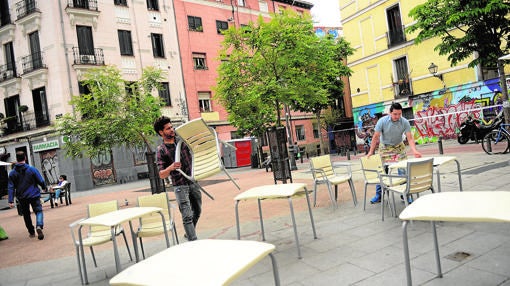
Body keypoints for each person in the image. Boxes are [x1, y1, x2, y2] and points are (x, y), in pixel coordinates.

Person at [154, 116, 202, 241]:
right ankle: (193, 240)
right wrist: (170, 167)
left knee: (197, 211)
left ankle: (189, 233)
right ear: (161, 132)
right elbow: (161, 174)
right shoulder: (161, 150)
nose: (172, 130)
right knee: (187, 215)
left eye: (171, 127)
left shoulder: (182, 141)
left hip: (192, 181)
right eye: (168, 128)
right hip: (180, 186)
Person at [366, 102, 422, 204]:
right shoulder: (382, 121)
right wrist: (371, 151)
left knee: (404, 170)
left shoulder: (404, 122)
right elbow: (375, 137)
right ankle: (379, 195)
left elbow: (409, 137)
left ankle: (405, 193)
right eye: (395, 114)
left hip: (398, 147)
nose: (397, 116)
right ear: (390, 113)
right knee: (382, 171)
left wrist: (414, 150)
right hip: (385, 148)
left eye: (399, 114)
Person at [7, 151, 47, 240]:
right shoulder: (32, 169)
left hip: (22, 197)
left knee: (26, 214)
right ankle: (39, 226)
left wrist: (10, 200)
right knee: (38, 211)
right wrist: (44, 187)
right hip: (34, 195)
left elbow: (10, 187)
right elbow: (40, 180)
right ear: (25, 158)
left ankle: (31, 232)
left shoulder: (12, 173)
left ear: (17, 159)